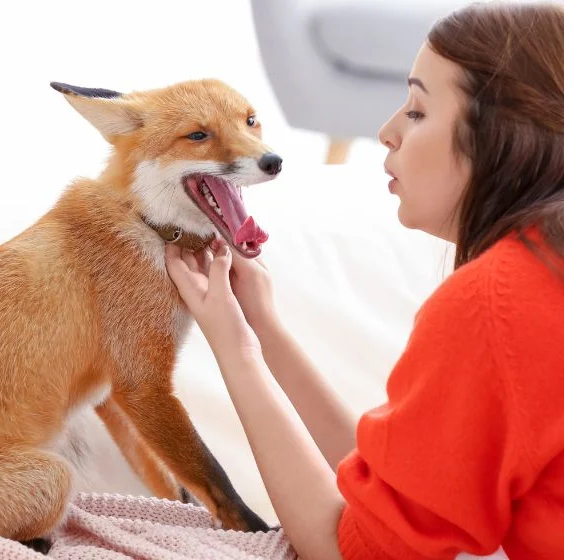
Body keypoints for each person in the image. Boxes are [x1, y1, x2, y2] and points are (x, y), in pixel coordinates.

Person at [165, 2, 564, 558]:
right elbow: (400, 485)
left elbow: (352, 550)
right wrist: (264, 333)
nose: (386, 132)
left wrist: (232, 347)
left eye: (419, 111)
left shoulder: (496, 303)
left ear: (502, 135)